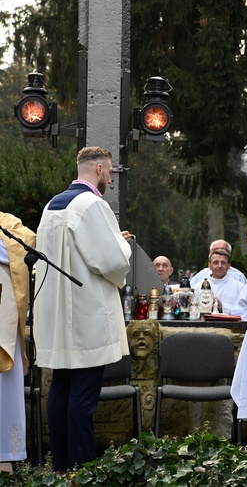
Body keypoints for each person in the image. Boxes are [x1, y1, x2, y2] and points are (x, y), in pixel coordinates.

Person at [34, 146, 132, 472]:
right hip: (87, 318)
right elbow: (113, 261)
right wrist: (122, 244)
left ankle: (60, 468)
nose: (111, 181)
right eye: (111, 174)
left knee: (60, 391)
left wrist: (112, 239)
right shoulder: (93, 204)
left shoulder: (52, 205)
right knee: (83, 399)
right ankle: (83, 471)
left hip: (59, 317)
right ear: (101, 170)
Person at [0, 212, 35, 472]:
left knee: (6, 389)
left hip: (4, 319)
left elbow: (28, 241)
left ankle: (5, 460)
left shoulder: (6, 222)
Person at [191, 248, 244, 313]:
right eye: (215, 262)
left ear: (228, 266)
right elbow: (192, 310)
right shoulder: (197, 287)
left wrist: (223, 307)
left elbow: (243, 312)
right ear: (209, 265)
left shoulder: (239, 288)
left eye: (223, 263)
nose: (219, 266)